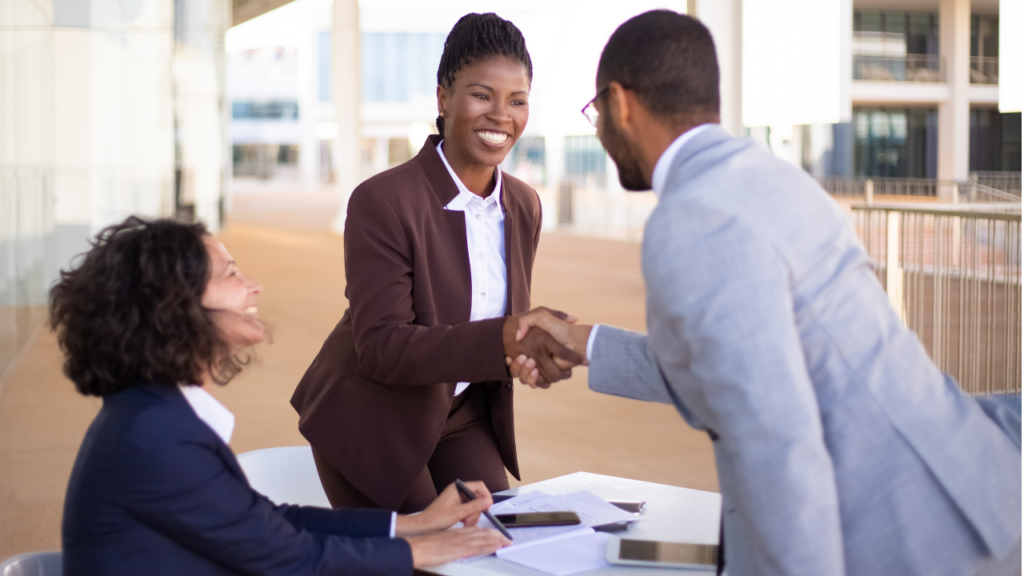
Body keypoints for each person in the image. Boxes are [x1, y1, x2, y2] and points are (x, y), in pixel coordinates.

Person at [507, 11, 1022, 576]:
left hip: (904, 537)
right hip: (964, 488)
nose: (599, 130)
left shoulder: (693, 217)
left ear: (621, 104)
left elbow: (776, 441)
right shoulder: (768, 177)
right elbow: (737, 364)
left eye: (596, 113)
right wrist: (585, 344)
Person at [55, 217, 510, 575]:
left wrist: (412, 524)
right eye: (231, 273)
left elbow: (268, 523)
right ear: (173, 306)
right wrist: (420, 550)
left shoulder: (155, 414)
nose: (254, 285)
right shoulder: (157, 436)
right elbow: (290, 558)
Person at [290, 12, 583, 515]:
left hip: (459, 413)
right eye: (481, 94)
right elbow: (382, 347)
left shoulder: (524, 205)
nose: (501, 115)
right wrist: (507, 338)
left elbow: (488, 326)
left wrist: (525, 353)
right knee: (425, 561)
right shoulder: (382, 201)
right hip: (372, 413)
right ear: (443, 98)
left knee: (497, 541)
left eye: (517, 101)